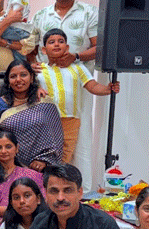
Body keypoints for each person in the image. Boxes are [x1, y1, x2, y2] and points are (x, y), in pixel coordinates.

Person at [26, 0, 100, 189]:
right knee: (47, 137)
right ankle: (47, 188)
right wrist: (32, 66)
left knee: (81, 137)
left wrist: (75, 56)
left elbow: (99, 47)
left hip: (77, 83)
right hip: (46, 84)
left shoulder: (89, 12)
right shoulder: (41, 15)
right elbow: (30, 48)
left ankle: (83, 190)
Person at [37, 28, 119, 163]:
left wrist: (107, 89)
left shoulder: (77, 68)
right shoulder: (38, 69)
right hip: (45, 120)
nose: (56, 44)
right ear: (44, 50)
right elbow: (29, 88)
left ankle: (59, 176)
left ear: (67, 47)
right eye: (52, 42)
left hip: (70, 121)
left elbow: (92, 86)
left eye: (61, 41)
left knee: (64, 157)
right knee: (44, 155)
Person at [0, 60, 63, 171]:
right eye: (13, 76)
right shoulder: (0, 103)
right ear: (8, 80)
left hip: (41, 167)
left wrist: (44, 160)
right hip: (7, 163)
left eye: (23, 75)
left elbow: (55, 135)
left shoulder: (43, 101)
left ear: (32, 78)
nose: (18, 79)